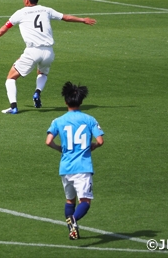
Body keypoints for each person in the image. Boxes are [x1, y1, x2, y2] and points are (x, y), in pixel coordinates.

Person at [0, 0, 96, 114]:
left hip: (33, 51)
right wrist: (83, 20)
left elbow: (5, 28)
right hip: (48, 52)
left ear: (27, 0)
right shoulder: (47, 10)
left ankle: (13, 106)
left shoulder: (20, 13)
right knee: (42, 73)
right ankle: (37, 92)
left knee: (10, 78)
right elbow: (65, 17)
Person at [46, 81, 104, 240]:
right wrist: (92, 146)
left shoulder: (58, 120)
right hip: (83, 167)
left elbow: (48, 141)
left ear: (65, 101)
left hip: (65, 167)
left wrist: (60, 149)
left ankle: (72, 230)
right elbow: (100, 141)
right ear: (81, 101)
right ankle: (73, 220)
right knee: (85, 201)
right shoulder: (89, 119)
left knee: (70, 201)